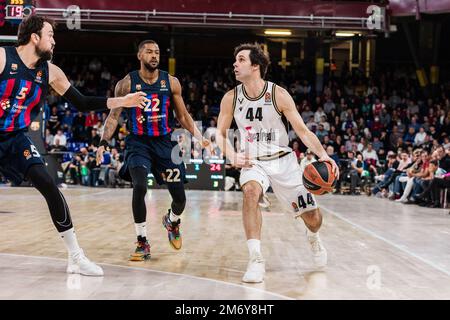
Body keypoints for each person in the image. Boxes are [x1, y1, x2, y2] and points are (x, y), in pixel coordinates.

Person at [0, 15, 148, 276]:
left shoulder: (50, 72)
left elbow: (82, 103)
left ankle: (76, 257)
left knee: (48, 184)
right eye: (50, 36)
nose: (54, 41)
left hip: (15, 138)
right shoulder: (2, 57)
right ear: (35, 37)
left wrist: (122, 101)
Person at [216, 43, 339, 283]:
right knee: (250, 192)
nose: (235, 64)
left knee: (314, 221)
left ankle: (312, 237)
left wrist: (323, 154)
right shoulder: (231, 98)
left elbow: (302, 131)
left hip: (284, 162)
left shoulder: (278, 94)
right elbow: (219, 133)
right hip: (254, 162)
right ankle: (255, 259)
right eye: (235, 60)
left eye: (241, 60)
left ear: (255, 66)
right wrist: (232, 155)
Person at [97, 40, 208, 261]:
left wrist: (200, 136)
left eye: (157, 52)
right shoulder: (126, 84)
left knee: (180, 198)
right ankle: (142, 242)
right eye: (149, 52)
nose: (154, 55)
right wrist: (103, 142)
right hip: (138, 143)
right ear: (140, 55)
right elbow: (113, 116)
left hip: (165, 144)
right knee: (139, 185)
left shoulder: (171, 82)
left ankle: (172, 222)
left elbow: (183, 116)